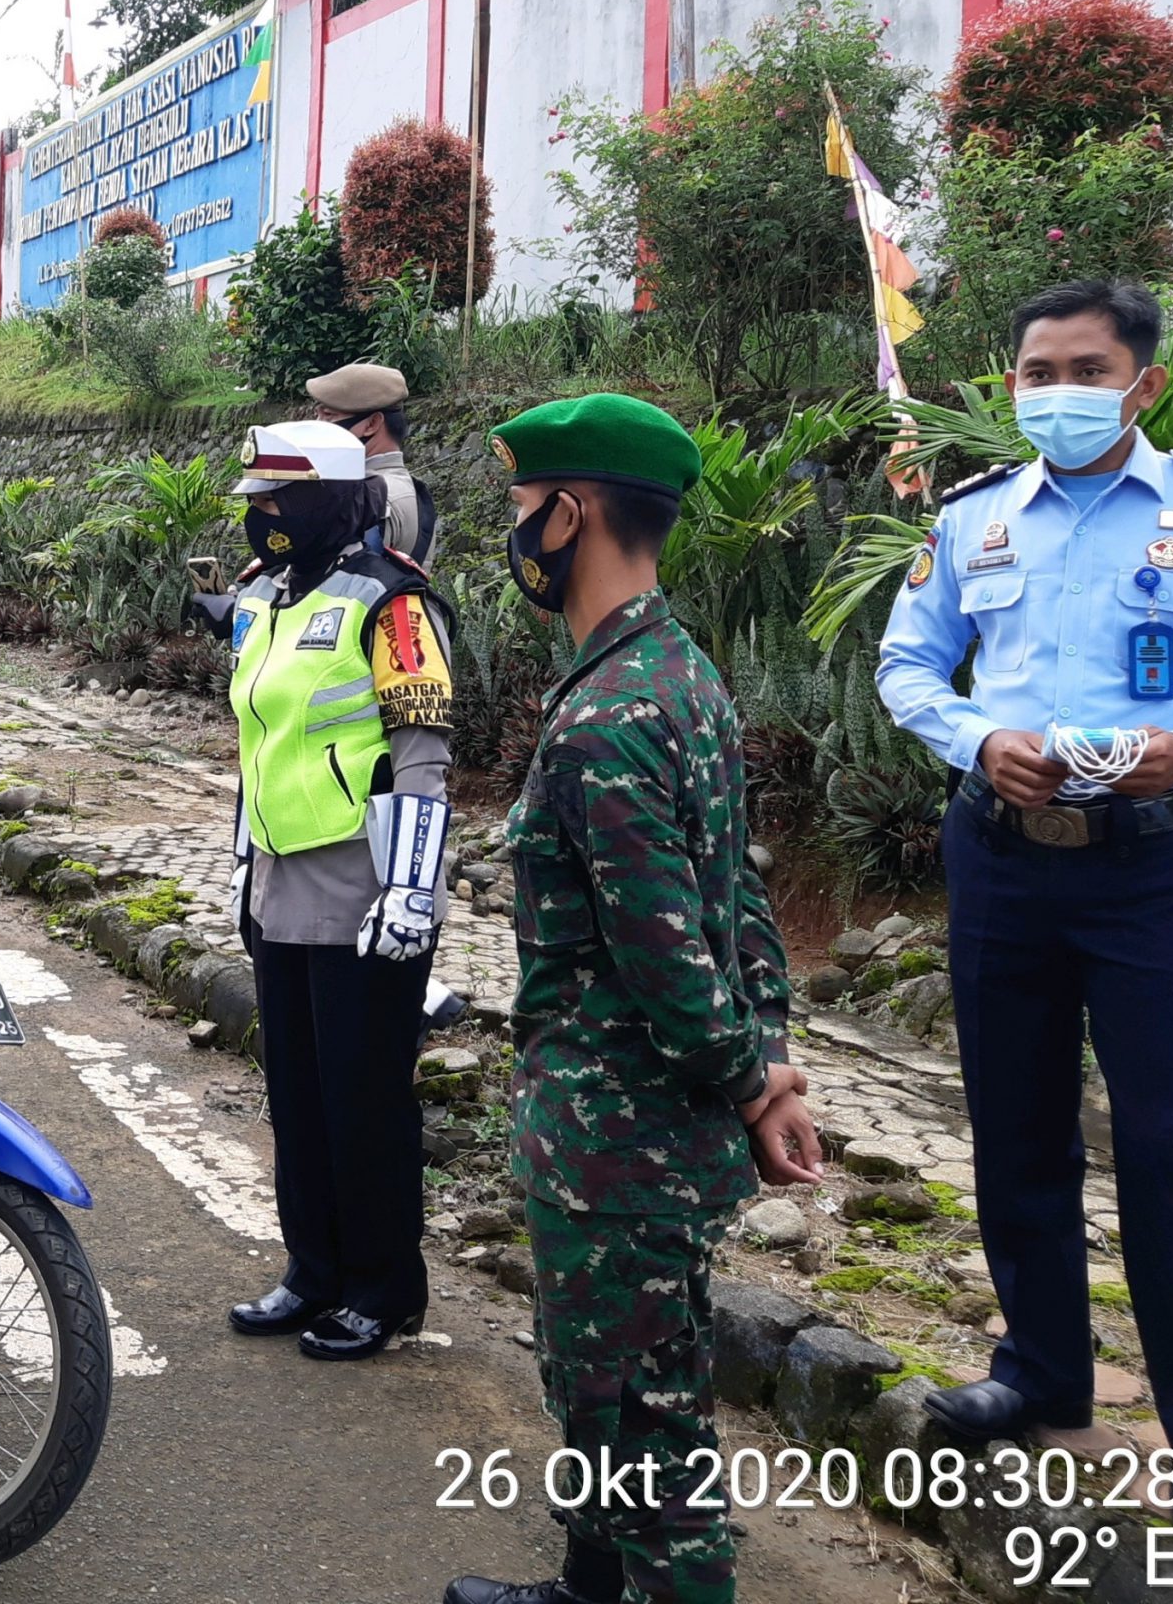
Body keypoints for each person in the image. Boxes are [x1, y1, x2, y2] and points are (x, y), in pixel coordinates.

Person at [445, 394, 817, 1604]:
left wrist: (751, 1073)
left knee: (641, 1427)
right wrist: (763, 1067)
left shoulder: (607, 716)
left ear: (574, 513)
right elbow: (739, 907)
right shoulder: (680, 673)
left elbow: (667, 950)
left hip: (617, 1136)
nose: (513, 538)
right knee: (602, 1389)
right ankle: (585, 1587)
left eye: (520, 511)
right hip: (653, 1125)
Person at [875, 278, 1173, 1523]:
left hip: (1157, 868)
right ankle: (1043, 1375)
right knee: (1015, 1129)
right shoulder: (970, 520)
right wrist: (974, 738)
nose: (1055, 394)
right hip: (1002, 856)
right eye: (1034, 374)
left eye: (1083, 370)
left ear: (1142, 384)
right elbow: (908, 663)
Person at [218, 421, 461, 1363]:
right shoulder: (272, 600)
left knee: (365, 1100)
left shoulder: (393, 605)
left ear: (329, 498)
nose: (261, 519)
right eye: (254, 505)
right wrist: (244, 861)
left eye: (277, 501)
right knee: (299, 1096)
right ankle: (311, 1269)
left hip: (364, 885)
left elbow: (423, 756)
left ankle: (382, 1286)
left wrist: (411, 890)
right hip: (283, 880)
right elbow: (258, 744)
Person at [308, 360, 438, 566]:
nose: (318, 426)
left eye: (329, 416)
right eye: (317, 414)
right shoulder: (393, 487)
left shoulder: (375, 498)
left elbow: (339, 578)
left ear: (372, 424)